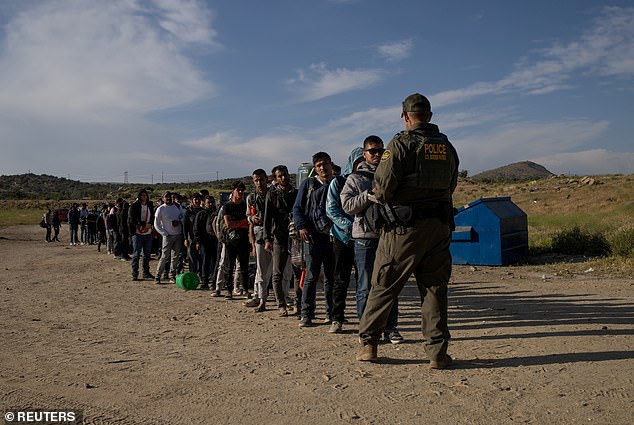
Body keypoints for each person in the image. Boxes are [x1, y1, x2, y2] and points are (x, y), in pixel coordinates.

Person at [355, 93, 458, 369]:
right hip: (438, 227)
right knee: (435, 288)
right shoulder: (447, 146)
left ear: (405, 116)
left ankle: (369, 344)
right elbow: (450, 186)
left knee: (384, 284)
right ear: (430, 116)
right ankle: (437, 353)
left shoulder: (400, 144)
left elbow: (384, 188)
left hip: (403, 230)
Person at [341, 136, 403, 343]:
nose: (376, 154)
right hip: (365, 239)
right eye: (372, 151)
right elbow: (347, 205)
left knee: (390, 284)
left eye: (380, 151)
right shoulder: (355, 178)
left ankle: (391, 328)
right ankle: (366, 329)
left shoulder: (392, 174)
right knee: (365, 286)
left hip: (389, 236)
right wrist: (368, 195)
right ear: (364, 154)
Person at [293, 152, 336, 327]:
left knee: (332, 277)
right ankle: (307, 314)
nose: (322, 167)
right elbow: (297, 208)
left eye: (325, 163)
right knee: (311, 276)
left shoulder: (337, 183)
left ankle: (331, 313)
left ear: (331, 164)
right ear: (315, 168)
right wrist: (301, 226)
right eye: (318, 165)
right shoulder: (308, 184)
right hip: (312, 237)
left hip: (334, 237)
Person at [324, 147, 363, 333]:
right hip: (343, 237)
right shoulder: (338, 182)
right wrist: (350, 226)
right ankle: (337, 317)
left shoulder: (368, 181)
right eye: (358, 162)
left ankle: (365, 318)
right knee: (341, 278)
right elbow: (331, 210)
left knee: (364, 280)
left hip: (364, 237)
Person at [264, 165, 302, 317]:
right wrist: (267, 239)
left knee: (298, 273)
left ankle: (298, 304)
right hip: (279, 237)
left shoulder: (297, 193)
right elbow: (267, 219)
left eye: (285, 174)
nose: (283, 178)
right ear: (276, 178)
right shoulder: (271, 194)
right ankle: (281, 304)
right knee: (277, 273)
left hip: (295, 238)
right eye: (280, 176)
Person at [246, 169, 272, 311]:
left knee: (280, 272)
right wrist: (252, 218)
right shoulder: (251, 197)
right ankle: (262, 299)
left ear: (266, 179)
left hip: (274, 235)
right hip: (260, 235)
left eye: (261, 179)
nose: (259, 183)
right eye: (256, 180)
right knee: (261, 271)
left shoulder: (273, 194)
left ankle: (285, 299)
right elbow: (248, 216)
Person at [222, 181, 251, 299]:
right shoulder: (227, 206)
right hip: (231, 241)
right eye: (238, 190)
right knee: (229, 267)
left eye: (242, 190)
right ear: (232, 191)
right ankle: (229, 290)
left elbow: (249, 223)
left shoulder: (245, 205)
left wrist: (240, 223)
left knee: (244, 267)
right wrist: (243, 222)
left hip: (244, 240)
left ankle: (245, 289)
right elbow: (228, 224)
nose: (240, 192)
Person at [153, 192, 184, 284]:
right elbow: (156, 223)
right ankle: (158, 275)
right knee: (164, 256)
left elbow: (183, 216)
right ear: (162, 198)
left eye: (170, 197)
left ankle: (172, 275)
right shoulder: (161, 209)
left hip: (178, 235)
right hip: (167, 236)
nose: (168, 198)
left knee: (175, 257)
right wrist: (164, 233)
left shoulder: (177, 206)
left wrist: (178, 221)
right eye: (166, 197)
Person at [128, 189, 155, 281]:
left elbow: (152, 217)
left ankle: (146, 272)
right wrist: (142, 225)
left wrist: (149, 225)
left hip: (148, 232)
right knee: (136, 253)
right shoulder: (134, 206)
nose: (144, 197)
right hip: (137, 233)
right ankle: (134, 273)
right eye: (142, 195)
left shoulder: (150, 205)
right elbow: (132, 219)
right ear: (139, 196)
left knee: (147, 254)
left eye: (145, 195)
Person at [193, 195, 218, 290]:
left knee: (216, 262)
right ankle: (205, 281)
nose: (211, 204)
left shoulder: (217, 213)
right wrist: (198, 241)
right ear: (204, 203)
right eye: (208, 202)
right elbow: (196, 229)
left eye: (212, 202)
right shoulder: (201, 214)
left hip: (215, 241)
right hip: (204, 242)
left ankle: (215, 281)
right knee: (205, 262)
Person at [184, 193, 204, 276]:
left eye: (198, 199)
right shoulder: (188, 212)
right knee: (192, 258)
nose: (197, 201)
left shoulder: (203, 211)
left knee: (202, 258)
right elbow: (185, 226)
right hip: (191, 238)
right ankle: (193, 275)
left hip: (202, 238)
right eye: (195, 199)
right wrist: (185, 238)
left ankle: (202, 274)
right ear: (192, 201)